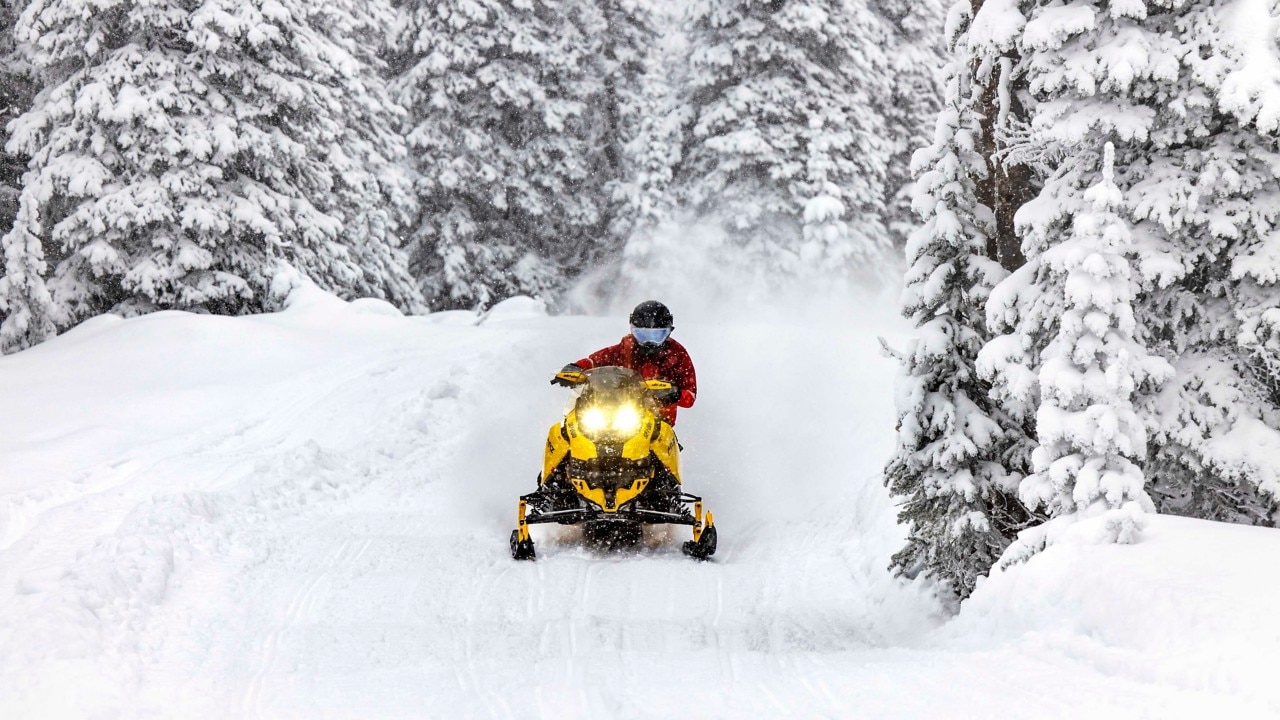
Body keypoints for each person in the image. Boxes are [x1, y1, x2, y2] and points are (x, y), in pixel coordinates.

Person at [554, 300, 696, 426]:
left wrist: (675, 394)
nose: (649, 342)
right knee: (571, 432)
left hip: (658, 420)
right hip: (614, 412)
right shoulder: (625, 349)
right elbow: (595, 360)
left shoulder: (677, 355)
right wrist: (577, 367)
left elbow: (690, 395)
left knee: (662, 449)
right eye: (642, 335)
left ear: (668, 332)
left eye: (657, 335)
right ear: (632, 331)